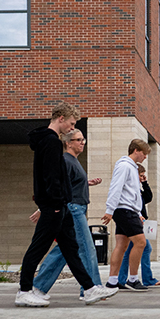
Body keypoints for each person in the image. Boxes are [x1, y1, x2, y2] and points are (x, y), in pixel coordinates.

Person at [15, 103, 118, 307]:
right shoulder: (52, 142)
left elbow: (56, 177)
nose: (72, 128)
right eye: (71, 124)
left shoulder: (48, 141)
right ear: (60, 118)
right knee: (38, 248)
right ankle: (25, 290)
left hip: (59, 205)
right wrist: (54, 204)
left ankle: (89, 289)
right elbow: (50, 176)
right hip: (54, 205)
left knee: (71, 248)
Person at [27, 128, 103, 301]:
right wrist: (42, 210)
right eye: (79, 140)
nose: (82, 143)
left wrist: (86, 183)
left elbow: (70, 184)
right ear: (68, 143)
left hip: (78, 207)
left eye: (83, 140)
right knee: (87, 248)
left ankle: (39, 286)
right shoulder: (66, 160)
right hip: (73, 208)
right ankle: (93, 288)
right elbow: (58, 186)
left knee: (64, 251)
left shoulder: (74, 161)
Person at [102, 139, 151, 291]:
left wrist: (138, 213)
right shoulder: (124, 166)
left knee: (122, 245)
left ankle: (112, 281)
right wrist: (109, 210)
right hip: (124, 210)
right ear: (136, 150)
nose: (145, 157)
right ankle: (133, 279)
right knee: (141, 243)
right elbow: (116, 187)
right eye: (144, 153)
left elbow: (134, 194)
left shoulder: (131, 168)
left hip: (128, 210)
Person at [115, 163, 160, 287]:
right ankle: (143, 279)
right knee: (144, 247)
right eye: (140, 175)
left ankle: (122, 279)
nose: (142, 177)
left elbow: (148, 197)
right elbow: (131, 204)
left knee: (129, 250)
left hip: (138, 220)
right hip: (133, 220)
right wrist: (138, 214)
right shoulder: (129, 189)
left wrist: (144, 183)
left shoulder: (138, 190)